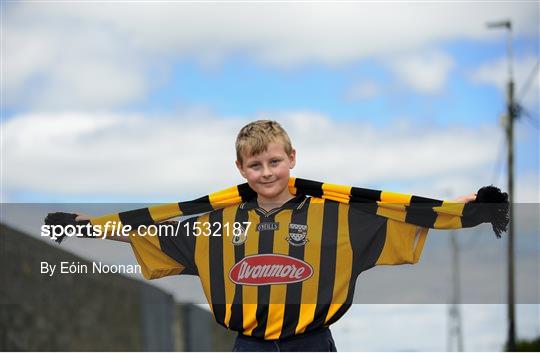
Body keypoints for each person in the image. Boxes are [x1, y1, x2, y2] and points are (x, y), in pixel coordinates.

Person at [48, 120, 501, 352]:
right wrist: (85, 226)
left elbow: (411, 213)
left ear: (292, 158)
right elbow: (148, 232)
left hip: (312, 342)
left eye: (274, 162)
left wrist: (475, 204)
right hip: (250, 347)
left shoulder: (336, 216)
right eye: (255, 165)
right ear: (240, 169)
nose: (266, 172)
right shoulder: (218, 224)